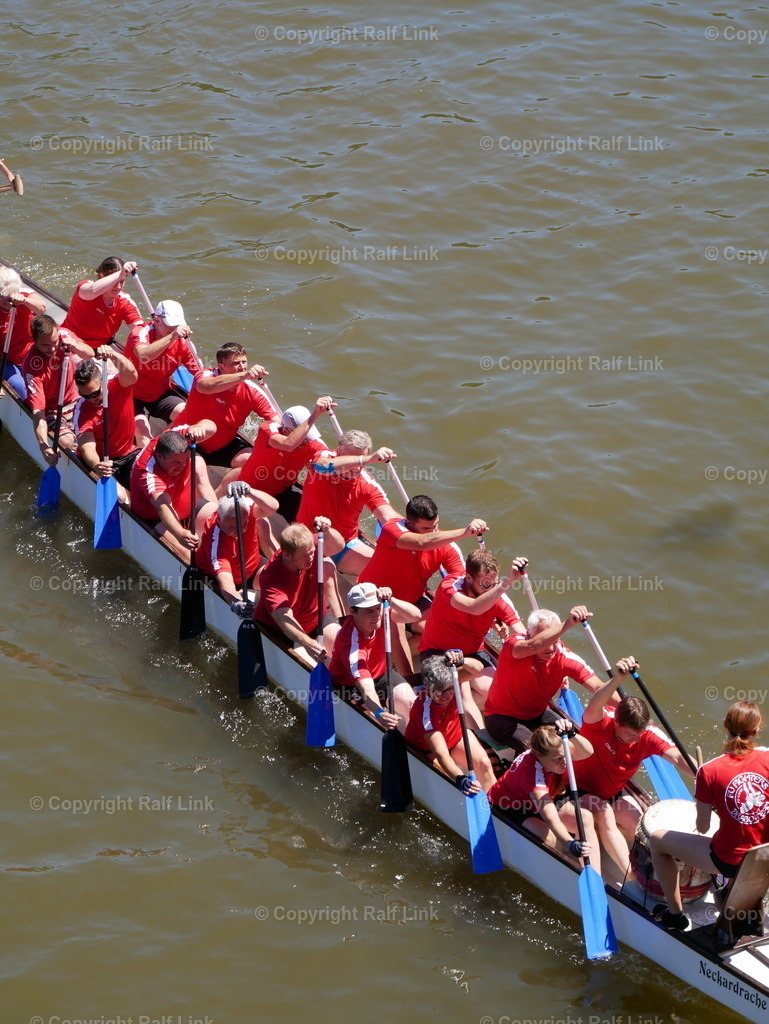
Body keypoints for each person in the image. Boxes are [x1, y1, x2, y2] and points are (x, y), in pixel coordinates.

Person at [649, 701, 769, 932]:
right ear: (755, 731)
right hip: (765, 856)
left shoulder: (709, 770)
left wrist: (707, 797)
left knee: (657, 841)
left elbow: (702, 826)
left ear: (725, 725)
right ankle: (740, 900)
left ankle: (675, 916)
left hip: (729, 861)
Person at [573, 655, 694, 874]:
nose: (636, 740)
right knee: (602, 812)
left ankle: (649, 865)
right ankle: (627, 874)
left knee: (638, 825)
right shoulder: (599, 724)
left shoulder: (646, 734)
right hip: (577, 789)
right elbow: (595, 703)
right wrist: (618, 679)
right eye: (630, 735)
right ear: (617, 722)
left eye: (639, 734)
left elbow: (678, 758)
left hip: (611, 793)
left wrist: (703, 776)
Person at [418, 548, 527, 718]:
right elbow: (474, 608)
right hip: (438, 652)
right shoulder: (450, 587)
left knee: (498, 694)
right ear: (468, 578)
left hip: (474, 653)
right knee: (451, 694)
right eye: (485, 584)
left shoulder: (497, 596)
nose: (491, 588)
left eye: (494, 582)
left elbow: (523, 634)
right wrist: (506, 583)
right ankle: (454, 702)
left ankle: (461, 704)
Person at [484, 605, 605, 755]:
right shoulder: (515, 645)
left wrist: (619, 682)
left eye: (554, 640)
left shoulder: (564, 657)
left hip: (537, 715)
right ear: (529, 634)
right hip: (500, 716)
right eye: (546, 640)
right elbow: (533, 645)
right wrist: (568, 623)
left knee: (577, 745)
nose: (550, 647)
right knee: (537, 750)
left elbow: (598, 687)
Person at [488, 720, 600, 870]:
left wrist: (572, 734)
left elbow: (588, 752)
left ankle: (594, 875)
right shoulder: (532, 775)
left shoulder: (554, 751)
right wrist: (570, 843)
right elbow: (550, 817)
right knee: (548, 837)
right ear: (539, 755)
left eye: (565, 755)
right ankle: (545, 869)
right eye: (558, 759)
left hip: (539, 798)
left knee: (585, 818)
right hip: (508, 806)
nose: (565, 762)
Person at [357, 494, 478, 621]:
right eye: (426, 528)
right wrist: (466, 532)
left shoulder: (445, 546)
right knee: (396, 629)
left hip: (412, 604)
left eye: (435, 525)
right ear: (409, 523)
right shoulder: (392, 530)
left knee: (441, 631)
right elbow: (422, 542)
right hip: (375, 596)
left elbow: (464, 580)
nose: (433, 531)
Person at [296, 429, 399, 576]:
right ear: (339, 450)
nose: (356, 467)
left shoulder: (367, 484)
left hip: (343, 546)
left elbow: (390, 518)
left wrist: (424, 536)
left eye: (361, 459)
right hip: (307, 537)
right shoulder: (325, 457)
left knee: (387, 572)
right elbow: (322, 466)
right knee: (322, 574)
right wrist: (365, 460)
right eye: (352, 458)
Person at [219, 398, 334, 523]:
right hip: (250, 490)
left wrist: (352, 461)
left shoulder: (311, 444)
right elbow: (288, 445)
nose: (306, 442)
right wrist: (315, 414)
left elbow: (326, 461)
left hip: (282, 491)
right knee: (256, 525)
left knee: (310, 513)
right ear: (285, 430)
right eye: (303, 438)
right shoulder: (267, 429)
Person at [254, 520, 346, 665]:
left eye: (312, 553)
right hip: (279, 630)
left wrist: (327, 531)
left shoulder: (309, 546)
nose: (311, 558)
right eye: (305, 556)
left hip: (316, 617)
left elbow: (339, 545)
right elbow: (283, 619)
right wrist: (307, 643)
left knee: (346, 651)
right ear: (287, 555)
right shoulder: (272, 577)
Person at [329, 582, 421, 727]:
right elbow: (366, 687)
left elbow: (416, 616)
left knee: (412, 703)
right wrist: (378, 713)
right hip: (350, 686)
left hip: (381, 674)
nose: (376, 615)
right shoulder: (352, 645)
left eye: (378, 608)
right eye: (368, 611)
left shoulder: (383, 613)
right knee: (373, 720)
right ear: (352, 612)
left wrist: (392, 600)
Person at [404, 652, 496, 793]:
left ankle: (496, 802)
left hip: (455, 737)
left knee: (484, 764)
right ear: (428, 688)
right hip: (427, 749)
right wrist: (460, 778)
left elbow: (478, 668)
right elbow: (441, 753)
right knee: (446, 779)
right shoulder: (424, 712)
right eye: (439, 692)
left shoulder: (452, 680)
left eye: (449, 689)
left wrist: (462, 660)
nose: (446, 696)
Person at [179, 342, 278, 468]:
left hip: (221, 448)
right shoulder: (206, 375)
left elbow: (277, 420)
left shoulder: (252, 392)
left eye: (244, 362)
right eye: (236, 363)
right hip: (188, 439)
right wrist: (245, 375)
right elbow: (205, 387)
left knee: (255, 462)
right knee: (197, 469)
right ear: (221, 367)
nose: (242, 367)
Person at [129, 428, 217, 559]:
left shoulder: (179, 435)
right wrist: (180, 533)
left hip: (185, 503)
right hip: (156, 518)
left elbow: (211, 428)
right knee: (190, 555)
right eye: (175, 462)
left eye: (184, 461)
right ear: (159, 457)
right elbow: (163, 505)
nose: (181, 467)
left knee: (219, 517)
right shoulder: (148, 473)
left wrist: (200, 428)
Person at [124, 299, 200, 444]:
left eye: (177, 324)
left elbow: (200, 374)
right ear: (157, 320)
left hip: (160, 394)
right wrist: (172, 337)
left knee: (189, 415)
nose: (175, 328)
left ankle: (160, 444)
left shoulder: (183, 343)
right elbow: (144, 355)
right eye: (171, 325)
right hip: (132, 394)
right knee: (142, 432)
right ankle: (147, 449)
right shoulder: (140, 332)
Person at [23, 314, 94, 465]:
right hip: (52, 411)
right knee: (67, 441)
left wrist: (74, 346)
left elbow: (90, 353)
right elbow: (38, 413)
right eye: (45, 345)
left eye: (54, 342)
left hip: (75, 400)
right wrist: (43, 446)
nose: (53, 348)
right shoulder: (32, 368)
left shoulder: (64, 335)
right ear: (34, 341)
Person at [196, 483, 280, 610]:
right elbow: (226, 583)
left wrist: (249, 491)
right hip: (219, 577)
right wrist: (236, 603)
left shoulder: (245, 508)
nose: (241, 530)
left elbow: (273, 507)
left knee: (280, 581)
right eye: (233, 527)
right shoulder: (216, 543)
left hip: (251, 568)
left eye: (244, 524)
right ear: (219, 519)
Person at [74, 347, 140, 502]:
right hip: (104, 463)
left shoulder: (118, 385)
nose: (91, 399)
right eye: (85, 395)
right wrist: (97, 465)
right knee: (120, 498)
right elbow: (86, 446)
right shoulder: (83, 410)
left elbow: (131, 372)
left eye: (95, 393)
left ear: (103, 381)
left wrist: (112, 354)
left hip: (129, 453)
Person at [61, 257, 143, 347]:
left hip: (100, 348)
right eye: (115, 282)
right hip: (69, 340)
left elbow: (140, 329)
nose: (119, 287)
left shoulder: (125, 302)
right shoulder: (86, 287)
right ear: (101, 276)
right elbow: (93, 291)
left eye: (122, 281)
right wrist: (121, 273)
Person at [0, 265, 46, 399]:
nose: (8, 300)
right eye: (3, 296)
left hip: (29, 354)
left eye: (10, 295)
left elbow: (41, 308)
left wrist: (24, 300)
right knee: (22, 390)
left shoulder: (23, 294)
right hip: (5, 360)